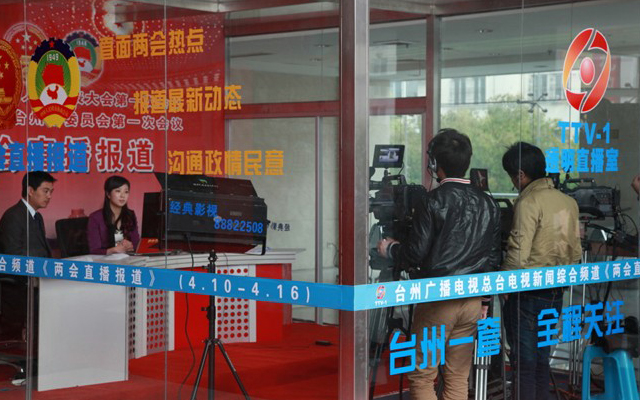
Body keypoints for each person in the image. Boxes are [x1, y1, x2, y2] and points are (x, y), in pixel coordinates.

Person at [377, 129, 501, 400]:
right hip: (472, 300)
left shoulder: (432, 201)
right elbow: (493, 258)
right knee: (457, 376)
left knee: (423, 375)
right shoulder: (488, 203)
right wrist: (485, 301)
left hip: (438, 299)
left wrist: (391, 249)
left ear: (434, 163)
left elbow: (415, 254)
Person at [501, 142, 582, 400]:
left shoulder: (528, 202)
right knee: (541, 360)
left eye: (512, 177)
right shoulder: (568, 202)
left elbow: (518, 253)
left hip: (527, 293)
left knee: (524, 363)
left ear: (520, 174)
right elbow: (576, 253)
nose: (513, 183)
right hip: (555, 292)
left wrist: (504, 286)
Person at [0, 171, 56, 384]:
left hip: (38, 282)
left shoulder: (36, 216)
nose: (49, 196)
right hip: (17, 287)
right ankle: (30, 365)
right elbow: (13, 256)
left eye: (51, 191)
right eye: (45, 191)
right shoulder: (13, 216)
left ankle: (44, 362)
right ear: (30, 191)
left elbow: (42, 251)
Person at [87, 176, 140, 255]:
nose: (122, 196)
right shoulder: (95, 218)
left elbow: (137, 244)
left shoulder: (130, 214)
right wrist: (112, 250)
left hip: (127, 259)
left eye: (126, 192)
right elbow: (94, 250)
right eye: (118, 191)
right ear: (108, 194)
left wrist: (131, 246)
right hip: (104, 261)